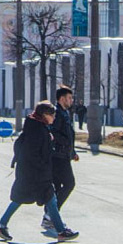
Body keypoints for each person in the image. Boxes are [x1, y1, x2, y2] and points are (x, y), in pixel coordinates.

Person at [0, 101, 79, 242]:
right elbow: (34, 153)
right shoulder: (38, 130)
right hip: (35, 173)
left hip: (31, 172)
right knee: (32, 199)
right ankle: (61, 231)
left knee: (46, 199)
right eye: (52, 114)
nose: (54, 117)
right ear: (44, 115)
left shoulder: (36, 126)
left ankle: (60, 231)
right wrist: (44, 168)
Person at [42, 85, 79, 229]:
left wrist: (73, 151)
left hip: (62, 154)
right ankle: (50, 215)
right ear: (62, 99)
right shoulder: (57, 113)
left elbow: (68, 135)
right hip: (58, 156)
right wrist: (66, 145)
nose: (71, 100)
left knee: (56, 188)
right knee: (69, 183)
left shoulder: (64, 113)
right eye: (69, 98)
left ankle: (49, 216)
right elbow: (54, 133)